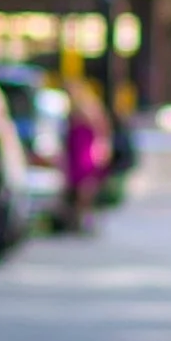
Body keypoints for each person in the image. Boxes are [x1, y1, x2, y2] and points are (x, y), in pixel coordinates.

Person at [63, 75, 114, 233]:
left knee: (87, 187)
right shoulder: (72, 109)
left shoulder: (89, 108)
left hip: (85, 151)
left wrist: (101, 148)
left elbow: (102, 130)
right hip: (76, 151)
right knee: (79, 187)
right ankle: (80, 218)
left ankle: (86, 218)